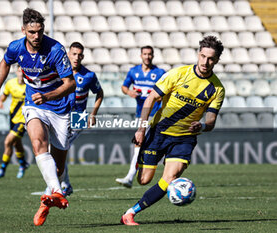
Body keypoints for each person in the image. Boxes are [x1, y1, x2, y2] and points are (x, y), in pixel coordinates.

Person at [0, 8, 76, 226]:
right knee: (37, 143)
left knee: (59, 167)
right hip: (33, 105)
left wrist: (47, 95)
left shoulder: (55, 49)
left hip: (59, 107)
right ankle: (56, 191)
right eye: (32, 32)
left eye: (40, 32)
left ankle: (48, 201)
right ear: (24, 30)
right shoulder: (16, 47)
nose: (37, 37)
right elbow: (5, 63)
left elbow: (70, 84)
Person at [120, 36, 225, 225]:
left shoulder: (217, 89)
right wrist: (141, 130)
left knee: (170, 178)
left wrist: (202, 125)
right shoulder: (178, 74)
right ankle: (142, 163)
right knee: (144, 180)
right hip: (159, 132)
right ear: (198, 54)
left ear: (216, 60)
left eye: (210, 58)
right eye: (203, 56)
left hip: (184, 139)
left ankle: (130, 213)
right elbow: (151, 99)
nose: (205, 62)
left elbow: (211, 121)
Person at [44, 41, 104, 196]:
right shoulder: (58, 72)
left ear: (83, 56)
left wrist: (93, 114)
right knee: (58, 149)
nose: (76, 57)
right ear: (68, 54)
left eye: (79, 54)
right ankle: (65, 184)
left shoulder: (89, 75)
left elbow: (99, 93)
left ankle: (55, 186)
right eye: (74, 54)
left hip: (78, 117)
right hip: (61, 114)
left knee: (58, 148)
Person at [116, 46, 166, 188]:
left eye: (150, 54)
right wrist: (129, 92)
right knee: (140, 144)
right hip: (141, 114)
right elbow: (124, 87)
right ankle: (132, 175)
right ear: (141, 55)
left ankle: (131, 176)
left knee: (139, 144)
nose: (147, 57)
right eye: (145, 54)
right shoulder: (134, 72)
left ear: (153, 56)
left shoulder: (160, 73)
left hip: (155, 115)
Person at [0, 66, 29, 179]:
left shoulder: (29, 86)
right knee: (16, 143)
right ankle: (23, 164)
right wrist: (0, 102)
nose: (21, 74)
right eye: (19, 71)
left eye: (23, 71)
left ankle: (3, 169)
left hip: (23, 120)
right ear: (16, 72)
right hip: (13, 118)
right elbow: (5, 94)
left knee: (8, 141)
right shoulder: (10, 83)